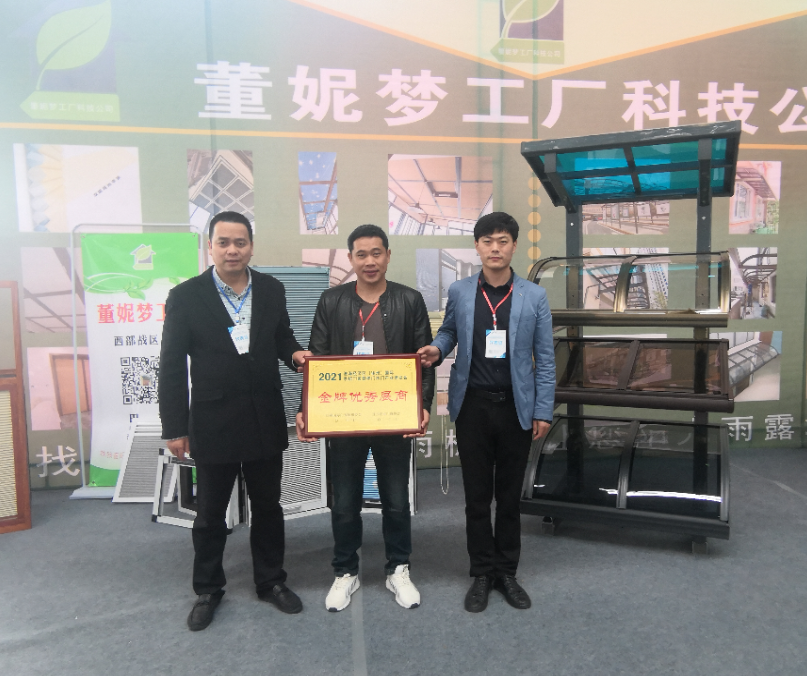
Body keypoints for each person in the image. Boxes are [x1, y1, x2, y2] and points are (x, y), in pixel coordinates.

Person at [159, 211, 311, 631]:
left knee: (268, 507)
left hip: (264, 415)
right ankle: (208, 588)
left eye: (240, 242)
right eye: (223, 242)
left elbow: (281, 336)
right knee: (210, 513)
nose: (232, 250)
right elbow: (171, 365)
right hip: (213, 420)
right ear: (210, 246)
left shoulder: (271, 288)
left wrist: (295, 354)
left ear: (251, 246)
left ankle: (271, 581)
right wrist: (175, 427)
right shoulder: (186, 296)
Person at [417, 211, 554, 613]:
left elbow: (546, 359)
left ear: (514, 246)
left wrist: (543, 409)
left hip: (516, 407)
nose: (495, 248)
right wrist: (437, 348)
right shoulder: (460, 291)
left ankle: (506, 572)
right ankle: (481, 572)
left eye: (503, 241)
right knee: (477, 498)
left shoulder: (534, 296)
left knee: (509, 498)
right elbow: (450, 331)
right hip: (473, 406)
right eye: (488, 241)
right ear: (477, 246)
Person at [295, 224, 434, 612]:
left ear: (388, 255)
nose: (369, 261)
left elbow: (424, 359)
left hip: (393, 415)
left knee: (396, 500)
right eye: (361, 254)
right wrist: (308, 410)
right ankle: (345, 571)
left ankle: (398, 568)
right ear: (351, 258)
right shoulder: (332, 300)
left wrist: (423, 404)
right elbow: (317, 359)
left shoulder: (409, 299)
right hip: (344, 417)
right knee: (344, 501)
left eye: (376, 253)